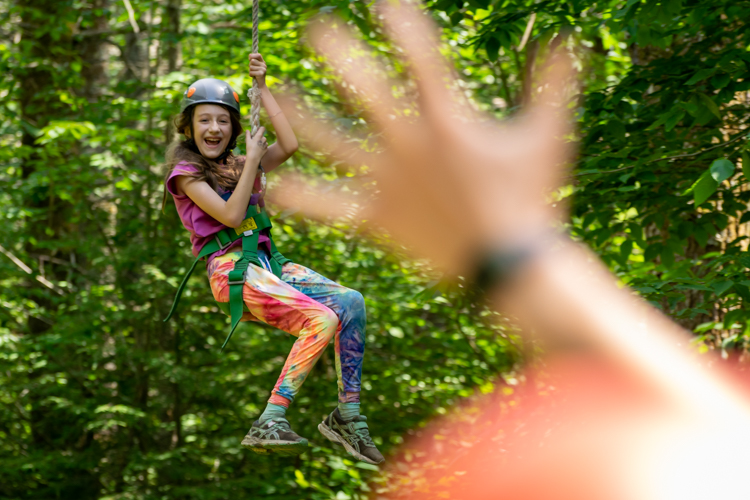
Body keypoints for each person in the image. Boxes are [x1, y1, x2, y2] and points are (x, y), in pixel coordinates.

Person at [271, 2, 750, 498]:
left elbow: (699, 451)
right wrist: (517, 251)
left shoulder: (551, 467)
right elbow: (720, 439)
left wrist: (508, 250)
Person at [162, 53, 384, 464]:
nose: (214, 128)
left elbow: (291, 144)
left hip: (268, 265)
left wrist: (262, 87)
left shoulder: (240, 162)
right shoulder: (185, 172)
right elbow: (230, 214)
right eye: (205, 120)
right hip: (231, 270)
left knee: (350, 302)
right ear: (190, 128)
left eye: (223, 120)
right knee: (321, 319)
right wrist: (251, 161)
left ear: (233, 127)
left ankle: (347, 415)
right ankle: (270, 418)